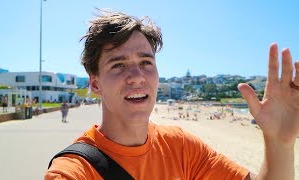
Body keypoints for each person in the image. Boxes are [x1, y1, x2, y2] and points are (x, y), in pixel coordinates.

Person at [45, 9, 299, 180]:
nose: (137, 76)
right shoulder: (74, 171)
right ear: (96, 84)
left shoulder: (181, 148)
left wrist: (279, 141)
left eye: (146, 62)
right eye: (118, 65)